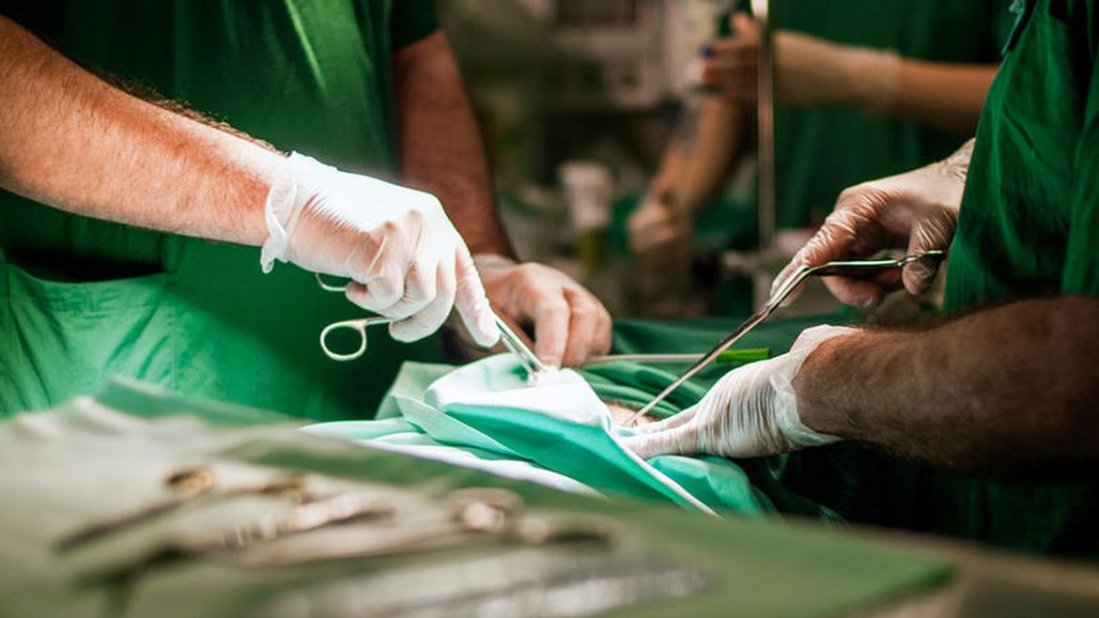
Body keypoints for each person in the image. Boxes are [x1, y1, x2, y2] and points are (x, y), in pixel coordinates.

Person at [628, 0, 1099, 556]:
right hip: (997, 477)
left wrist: (818, 384)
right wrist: (970, 168)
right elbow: (1053, 92)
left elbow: (1076, 372)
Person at [0, 2, 611, 420]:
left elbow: (415, 52)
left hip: (371, 396)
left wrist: (478, 263)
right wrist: (289, 200)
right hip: (131, 368)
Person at [628, 2, 1009, 290]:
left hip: (940, 269)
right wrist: (666, 212)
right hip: (796, 271)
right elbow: (728, 83)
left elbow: (1033, 97)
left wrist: (862, 77)